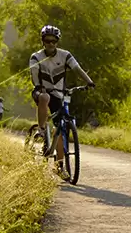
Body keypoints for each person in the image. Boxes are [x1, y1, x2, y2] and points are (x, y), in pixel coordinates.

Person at [29, 25, 96, 158]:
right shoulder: (36, 57)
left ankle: (59, 165)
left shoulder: (65, 55)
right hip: (41, 91)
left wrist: (89, 82)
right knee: (44, 97)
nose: (50, 44)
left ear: (57, 42)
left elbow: (77, 69)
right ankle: (41, 130)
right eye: (47, 41)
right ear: (43, 41)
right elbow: (34, 76)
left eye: (53, 41)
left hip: (58, 94)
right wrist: (38, 86)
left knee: (60, 128)